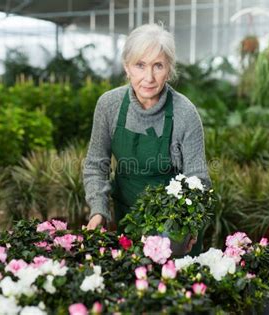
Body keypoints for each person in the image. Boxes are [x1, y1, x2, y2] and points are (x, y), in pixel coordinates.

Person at [83, 23, 211, 256]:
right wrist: (98, 210)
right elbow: (96, 164)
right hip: (129, 221)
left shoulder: (184, 113)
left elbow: (198, 180)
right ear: (127, 67)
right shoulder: (109, 106)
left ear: (169, 68)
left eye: (158, 66)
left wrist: (188, 226)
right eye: (140, 65)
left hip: (175, 229)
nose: (149, 77)